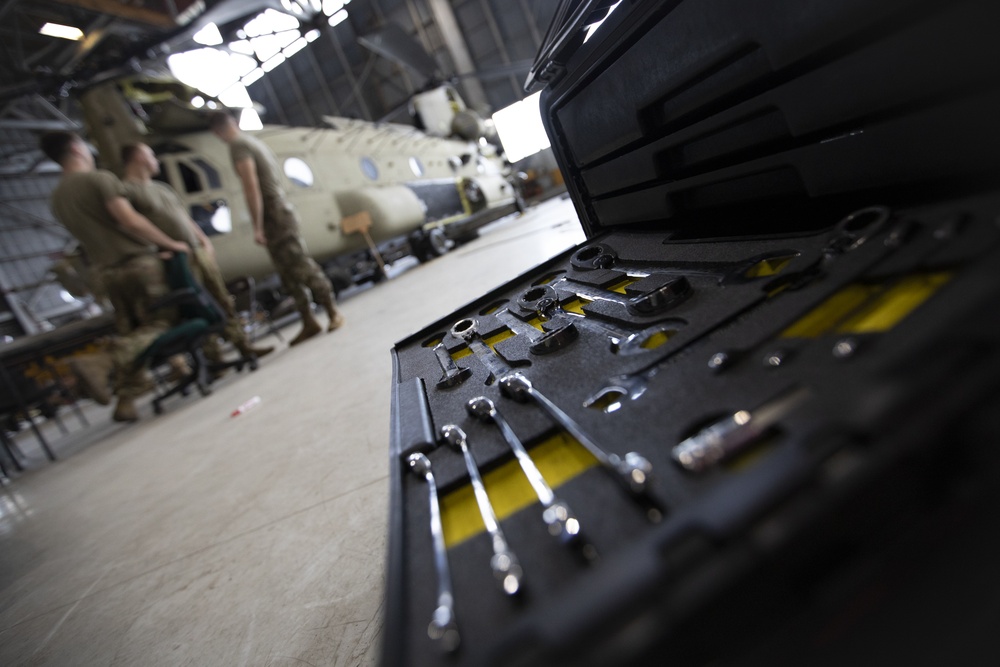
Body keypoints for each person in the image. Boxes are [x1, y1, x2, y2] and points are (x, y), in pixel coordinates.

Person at [39, 131, 190, 422]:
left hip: (106, 274)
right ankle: (101, 361)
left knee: (134, 332)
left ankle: (127, 400)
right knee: (163, 322)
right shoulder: (99, 179)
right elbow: (129, 220)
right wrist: (169, 244)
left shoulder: (57, 199)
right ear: (75, 147)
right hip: (138, 264)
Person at [120, 142, 274, 362]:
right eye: (150, 155)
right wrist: (156, 252)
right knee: (197, 306)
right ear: (138, 157)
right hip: (177, 259)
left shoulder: (161, 189)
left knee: (221, 299)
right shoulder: (128, 192)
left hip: (196, 250)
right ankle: (215, 358)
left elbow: (185, 218)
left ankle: (243, 346)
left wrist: (203, 241)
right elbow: (132, 227)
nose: (155, 160)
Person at [208, 111, 343, 345]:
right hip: (277, 212)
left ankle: (333, 312)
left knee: (300, 266)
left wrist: (257, 226)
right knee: (287, 272)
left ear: (216, 131)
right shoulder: (251, 141)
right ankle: (309, 320)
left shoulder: (238, 146)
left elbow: (252, 188)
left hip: (274, 215)